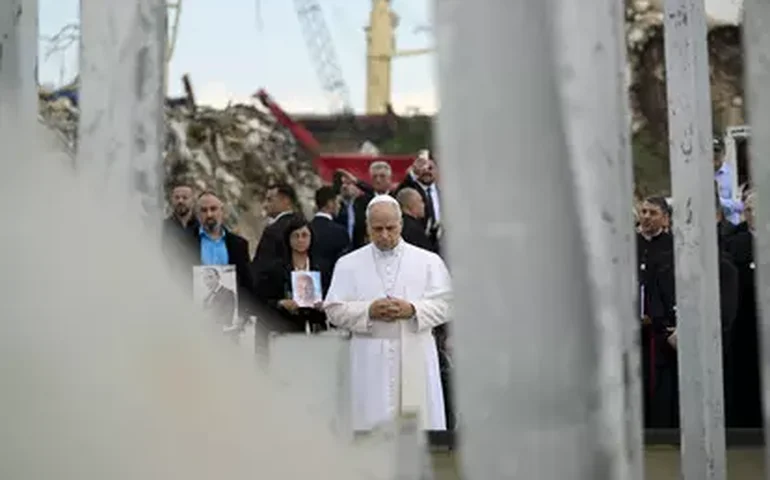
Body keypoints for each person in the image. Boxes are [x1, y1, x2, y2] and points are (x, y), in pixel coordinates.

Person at [324, 195, 451, 431]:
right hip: (368, 357)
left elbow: (447, 304)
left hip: (415, 352)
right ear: (367, 227)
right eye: (377, 229)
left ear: (401, 224)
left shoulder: (429, 262)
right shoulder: (348, 264)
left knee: (419, 431)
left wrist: (413, 309)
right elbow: (333, 310)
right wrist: (368, 310)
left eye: (390, 228)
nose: (384, 235)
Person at [257, 217, 332, 333]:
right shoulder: (276, 269)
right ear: (288, 239)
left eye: (304, 235)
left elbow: (332, 295)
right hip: (286, 328)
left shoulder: (323, 267)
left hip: (317, 328)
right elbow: (262, 300)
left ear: (311, 238)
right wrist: (281, 303)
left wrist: (324, 304)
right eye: (295, 236)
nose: (300, 240)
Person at [251, 183, 304, 276]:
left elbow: (261, 266)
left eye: (269, 200)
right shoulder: (306, 225)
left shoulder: (273, 231)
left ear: (285, 200)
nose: (265, 205)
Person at [310, 186, 350, 267]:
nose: (339, 206)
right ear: (330, 203)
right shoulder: (340, 232)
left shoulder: (307, 229)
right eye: (338, 202)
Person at [396, 187, 435, 252]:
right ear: (410, 205)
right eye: (420, 201)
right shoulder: (414, 230)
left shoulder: (400, 224)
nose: (424, 205)